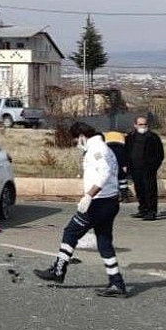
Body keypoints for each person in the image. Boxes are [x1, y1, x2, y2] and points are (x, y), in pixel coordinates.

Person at [33, 122, 128, 298]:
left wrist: (90, 195)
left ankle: (59, 270)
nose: (77, 143)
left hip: (98, 203)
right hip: (109, 201)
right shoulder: (104, 148)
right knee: (104, 241)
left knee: (71, 232)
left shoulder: (97, 149)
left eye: (77, 139)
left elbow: (105, 172)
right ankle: (117, 283)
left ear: (82, 136)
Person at [125, 116, 164, 220]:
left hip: (148, 169)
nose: (143, 126)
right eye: (140, 124)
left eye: (145, 124)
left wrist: (154, 166)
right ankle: (143, 210)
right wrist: (127, 165)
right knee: (139, 189)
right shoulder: (130, 136)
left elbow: (160, 154)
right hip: (135, 168)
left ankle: (151, 212)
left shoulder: (153, 137)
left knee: (150, 190)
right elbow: (127, 151)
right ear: (135, 125)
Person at [104, 130, 132, 201]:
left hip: (112, 168)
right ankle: (124, 196)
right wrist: (125, 166)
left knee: (114, 182)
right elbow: (124, 157)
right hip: (121, 168)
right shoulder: (122, 148)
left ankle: (117, 196)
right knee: (123, 181)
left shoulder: (107, 148)